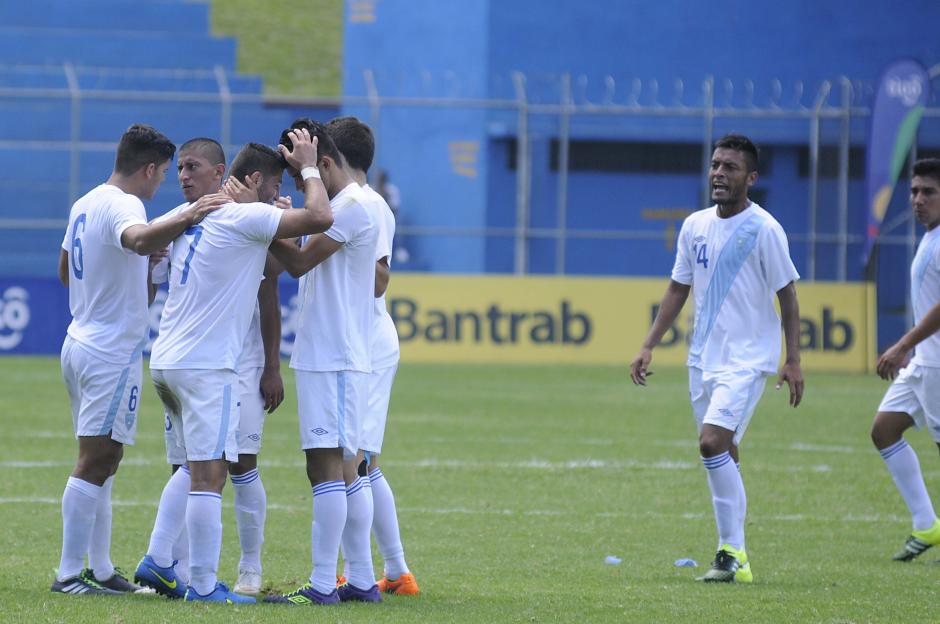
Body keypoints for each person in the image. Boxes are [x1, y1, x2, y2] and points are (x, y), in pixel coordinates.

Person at [137, 132, 332, 604]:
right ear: (255, 180)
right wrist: (308, 167)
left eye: (190, 167)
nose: (182, 176)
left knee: (187, 467)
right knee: (211, 474)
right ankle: (201, 585)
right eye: (273, 190)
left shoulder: (186, 218)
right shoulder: (242, 214)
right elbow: (321, 216)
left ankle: (163, 559)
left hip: (165, 360)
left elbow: (146, 252)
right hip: (208, 366)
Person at [53, 124, 226, 595]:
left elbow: (67, 269)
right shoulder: (126, 205)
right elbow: (135, 239)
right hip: (110, 350)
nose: (162, 184)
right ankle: (69, 574)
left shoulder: (84, 202)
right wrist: (189, 216)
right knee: (98, 459)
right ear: (149, 168)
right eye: (164, 173)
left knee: (103, 462)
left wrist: (136, 272)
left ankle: (102, 567)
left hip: (80, 339)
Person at [629, 134, 804, 583]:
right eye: (715, 165)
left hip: (747, 361)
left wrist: (793, 359)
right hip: (703, 359)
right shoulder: (694, 226)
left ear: (751, 177)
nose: (719, 174)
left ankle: (731, 551)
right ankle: (736, 558)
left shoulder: (765, 229)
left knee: (711, 444)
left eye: (730, 167)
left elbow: (788, 295)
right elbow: (677, 288)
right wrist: (649, 343)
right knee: (726, 452)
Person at [263, 118, 381, 605]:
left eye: (303, 173)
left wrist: (258, 220)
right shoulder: (341, 206)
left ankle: (320, 585)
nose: (300, 182)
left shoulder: (351, 207)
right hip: (334, 352)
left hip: (333, 354)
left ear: (324, 163)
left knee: (326, 466)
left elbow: (296, 264)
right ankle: (362, 580)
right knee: (344, 468)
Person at [326, 116, 419, 595]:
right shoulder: (360, 203)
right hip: (361, 340)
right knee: (363, 462)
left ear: (335, 157)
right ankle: (395, 571)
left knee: (353, 461)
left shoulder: (366, 206)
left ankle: (363, 572)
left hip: (367, 342)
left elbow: (381, 278)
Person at [870, 158, 940, 561]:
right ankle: (927, 524)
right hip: (923, 364)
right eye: (914, 191)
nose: (917, 199)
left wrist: (901, 345)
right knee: (883, 430)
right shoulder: (930, 236)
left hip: (936, 367)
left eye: (928, 192)